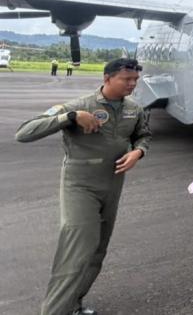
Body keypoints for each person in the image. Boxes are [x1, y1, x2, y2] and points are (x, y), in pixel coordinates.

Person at [15, 58, 152, 315]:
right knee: (77, 249)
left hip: (112, 185)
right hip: (80, 185)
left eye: (135, 79)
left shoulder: (135, 109)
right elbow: (24, 132)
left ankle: (73, 304)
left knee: (97, 250)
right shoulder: (79, 105)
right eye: (126, 79)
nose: (132, 84)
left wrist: (139, 152)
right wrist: (70, 117)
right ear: (107, 78)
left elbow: (143, 135)